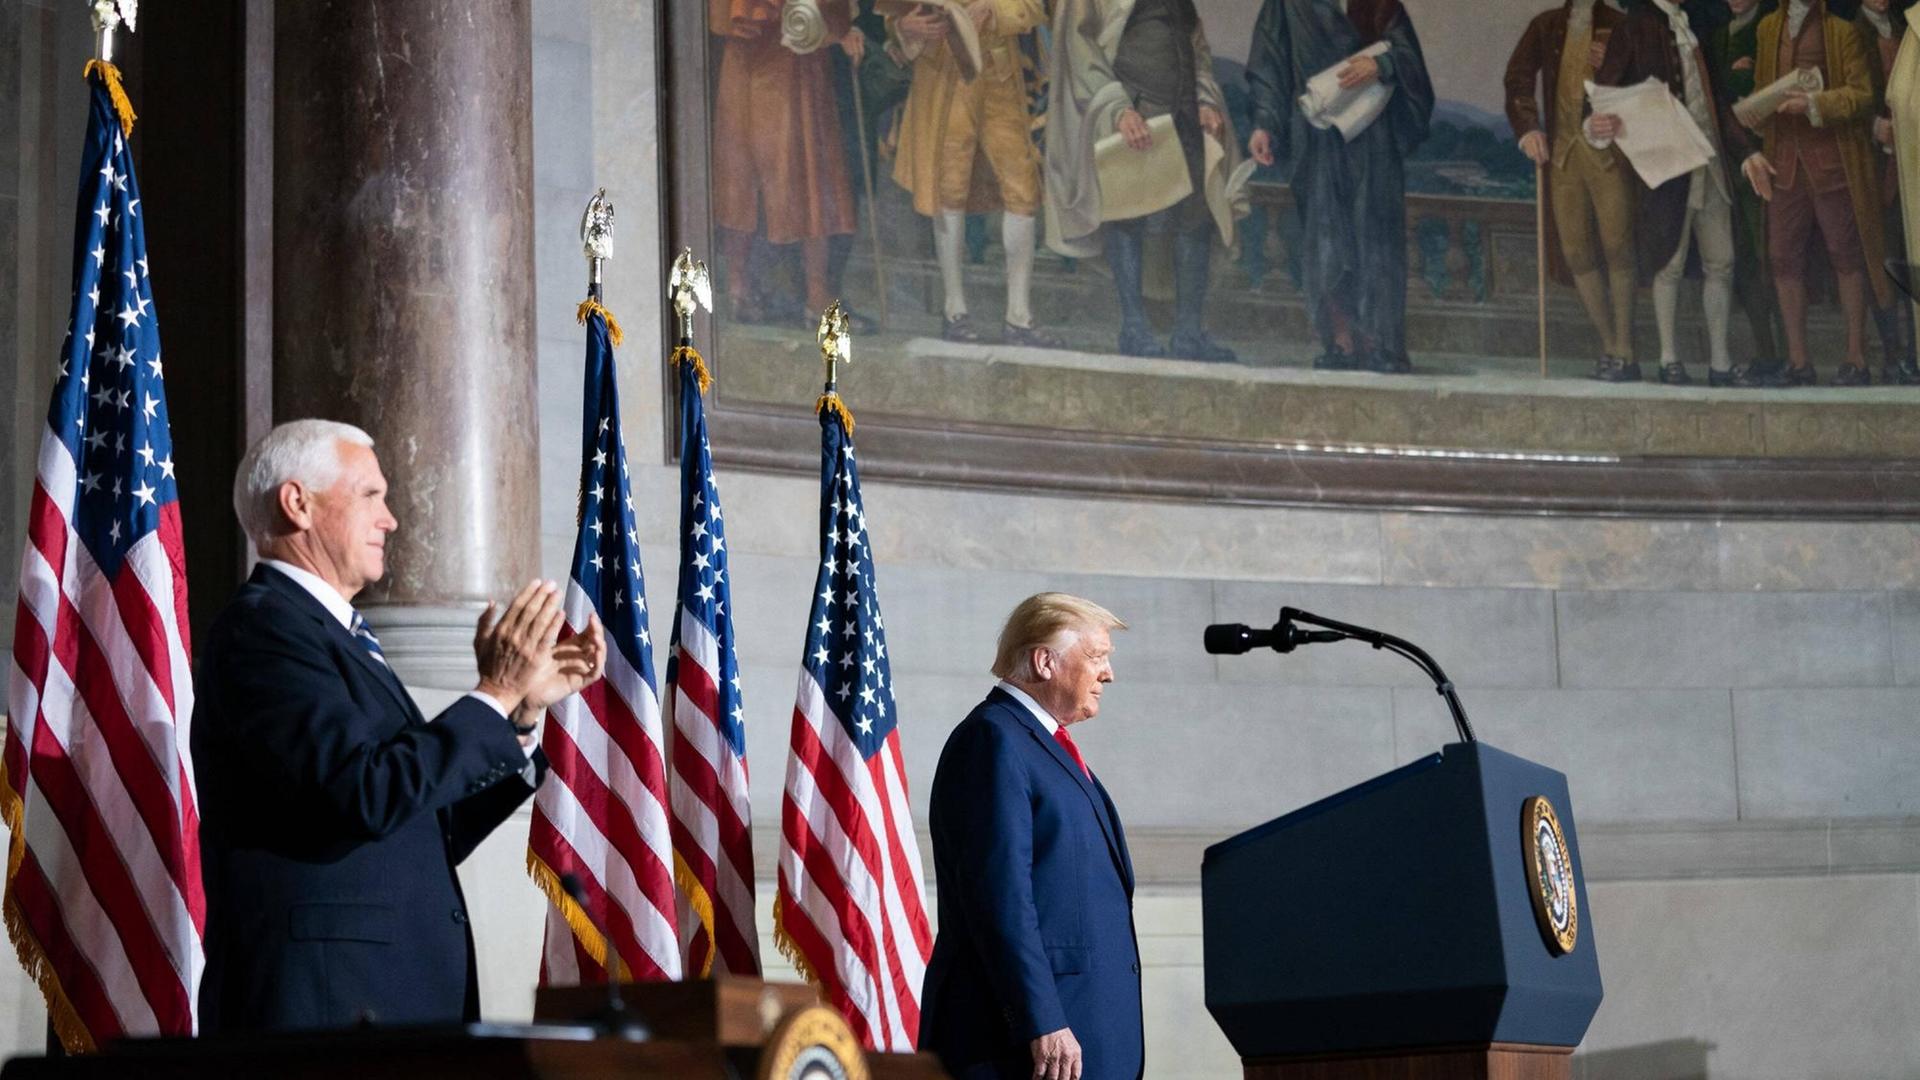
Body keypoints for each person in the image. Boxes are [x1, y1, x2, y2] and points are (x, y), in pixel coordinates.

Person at [194, 420, 606, 1033]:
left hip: (392, 1007)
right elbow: (363, 792)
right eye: (370, 496)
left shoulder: (339, 636)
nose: (390, 519)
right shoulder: (265, 630)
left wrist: (519, 715)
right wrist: (492, 691)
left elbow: (420, 822)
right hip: (325, 1011)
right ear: (297, 503)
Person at [920, 593, 1141, 1080]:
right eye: (1097, 657)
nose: (1108, 674)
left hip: (1083, 1033)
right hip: (1025, 1048)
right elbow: (1000, 898)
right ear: (1045, 661)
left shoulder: (1041, 747)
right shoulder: (993, 740)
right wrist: (1041, 1019)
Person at [1046, 0, 1243, 362]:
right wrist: (1119, 109)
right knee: (1128, 217)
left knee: (1197, 218)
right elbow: (1080, 47)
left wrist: (1203, 98)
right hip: (1135, 112)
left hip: (1184, 114)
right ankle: (1134, 328)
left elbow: (1193, 44)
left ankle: (1187, 333)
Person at [1245, 0, 1434, 374]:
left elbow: (1409, 58)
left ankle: (1381, 343)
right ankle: (1341, 340)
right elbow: (1269, 63)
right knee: (1327, 241)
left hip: (1373, 138)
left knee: (1376, 239)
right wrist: (1265, 122)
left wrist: (1381, 64)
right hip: (1316, 138)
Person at [1591, 0, 1758, 385]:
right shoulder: (1633, 29)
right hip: (1667, 167)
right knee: (1670, 263)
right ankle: (1669, 360)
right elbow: (1602, 97)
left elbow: (1716, 102)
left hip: (1710, 163)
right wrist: (1599, 126)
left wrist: (1747, 153)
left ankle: (1719, 362)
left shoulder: (1694, 27)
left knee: (1722, 261)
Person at [889, 2, 1065, 347]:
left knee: (1024, 192)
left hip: (1001, 76)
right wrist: (905, 28)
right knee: (948, 189)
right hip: (944, 76)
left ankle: (1019, 316)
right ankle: (954, 310)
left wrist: (993, 10)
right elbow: (895, 15)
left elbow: (1035, 6)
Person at [1744, 0, 1889, 385]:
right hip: (1783, 165)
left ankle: (1856, 358)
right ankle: (1798, 361)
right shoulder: (1767, 29)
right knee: (1781, 257)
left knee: (1846, 255)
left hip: (1832, 165)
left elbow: (1861, 95)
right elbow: (1761, 89)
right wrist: (1755, 111)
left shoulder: (1842, 30)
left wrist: (1812, 103)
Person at [1506, 0, 1638, 376]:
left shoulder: (1620, 25)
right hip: (1563, 156)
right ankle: (1609, 344)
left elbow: (1647, 84)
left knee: (1619, 247)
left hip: (1608, 154)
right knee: (1577, 252)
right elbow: (1517, 78)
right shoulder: (1546, 25)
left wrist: (1615, 68)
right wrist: (1529, 127)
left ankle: (1627, 349)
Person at [710, 0, 864, 325]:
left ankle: (814, 293)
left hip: (803, 60)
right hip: (758, 56)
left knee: (812, 172)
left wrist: (836, 27)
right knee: (744, 172)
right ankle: (740, 287)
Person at [1704, 0, 1789, 381]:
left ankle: (1788, 355)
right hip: (1732, 166)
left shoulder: (1770, 29)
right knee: (1746, 264)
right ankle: (1766, 352)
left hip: (1771, 160)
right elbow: (1715, 97)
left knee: (1776, 258)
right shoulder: (1717, 35)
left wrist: (1744, 80)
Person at [1851, 0, 1920, 381]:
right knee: (1885, 260)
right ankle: (1894, 354)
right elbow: (1849, 91)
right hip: (1876, 167)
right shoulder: (1852, 31)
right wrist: (1874, 125)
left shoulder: (1902, 26)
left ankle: (1914, 350)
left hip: (1910, 158)